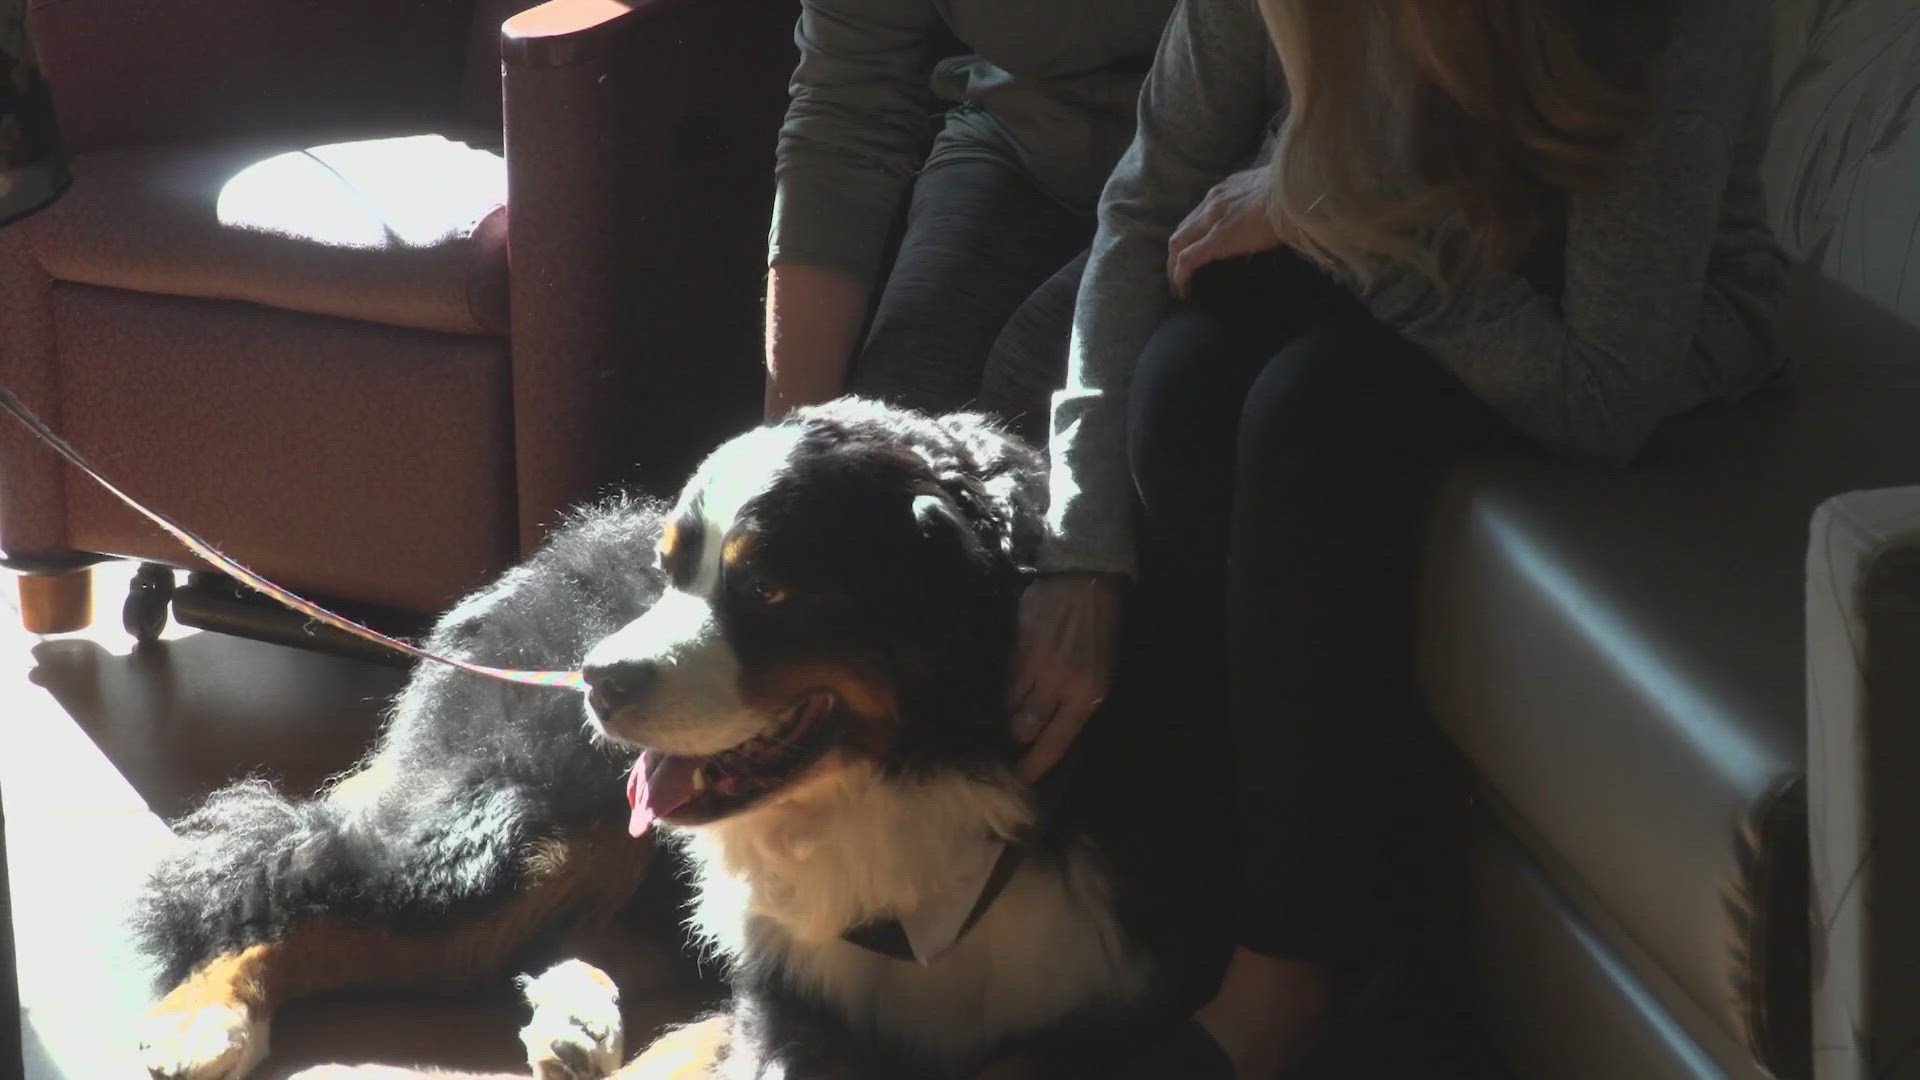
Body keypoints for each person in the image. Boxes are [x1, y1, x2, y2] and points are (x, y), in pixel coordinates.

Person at [1022, 0, 1792, 1076]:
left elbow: (1601, 390)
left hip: (1608, 325)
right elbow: (1146, 208)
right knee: (1182, 385)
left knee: (1314, 416)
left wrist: (1328, 210)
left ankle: (1283, 984)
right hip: (1385, 238)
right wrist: (1084, 545)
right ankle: (1198, 917)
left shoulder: (1649, 22)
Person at [760, 0, 1176, 453]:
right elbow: (842, 113)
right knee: (902, 418)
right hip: (1021, 128)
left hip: (1216, 150)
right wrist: (790, 450)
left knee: (1029, 379)